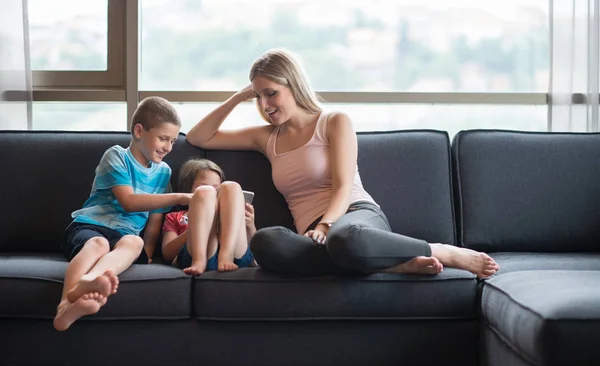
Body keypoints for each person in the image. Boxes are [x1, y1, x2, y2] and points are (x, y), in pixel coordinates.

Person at [185, 49, 499, 278]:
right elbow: (201, 136)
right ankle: (392, 264)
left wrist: (326, 225)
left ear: (292, 85)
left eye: (271, 93)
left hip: (355, 217)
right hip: (312, 236)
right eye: (259, 97)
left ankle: (441, 250)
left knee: (346, 240)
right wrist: (238, 98)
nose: (265, 105)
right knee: (266, 243)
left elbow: (343, 184)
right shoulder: (265, 137)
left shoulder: (334, 122)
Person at [53, 96, 193, 331]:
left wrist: (148, 252)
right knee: (98, 244)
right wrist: (180, 197)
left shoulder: (163, 173)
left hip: (124, 235)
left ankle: (90, 280)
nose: (168, 147)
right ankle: (65, 304)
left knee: (134, 242)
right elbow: (129, 202)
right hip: (90, 226)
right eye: (163, 138)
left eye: (172, 142)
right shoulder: (116, 156)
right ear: (139, 131)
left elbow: (154, 219)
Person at [161, 158, 256, 275]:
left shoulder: (230, 210)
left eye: (216, 189)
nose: (213, 194)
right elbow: (167, 253)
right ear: (187, 188)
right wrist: (196, 228)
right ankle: (199, 260)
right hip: (196, 256)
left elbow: (255, 245)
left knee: (232, 186)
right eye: (201, 186)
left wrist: (250, 225)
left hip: (235, 255)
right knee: (205, 193)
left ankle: (226, 254)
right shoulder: (175, 217)